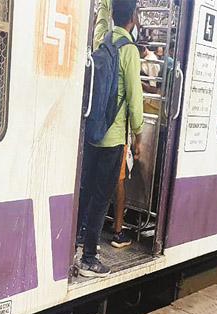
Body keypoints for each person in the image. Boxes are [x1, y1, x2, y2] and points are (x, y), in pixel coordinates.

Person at [77, 0, 144, 277]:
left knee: (86, 191)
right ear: (134, 18)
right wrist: (138, 136)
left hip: (92, 131)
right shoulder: (129, 50)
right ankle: (89, 258)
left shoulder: (102, 41)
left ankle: (77, 242)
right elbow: (135, 98)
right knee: (102, 197)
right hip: (113, 137)